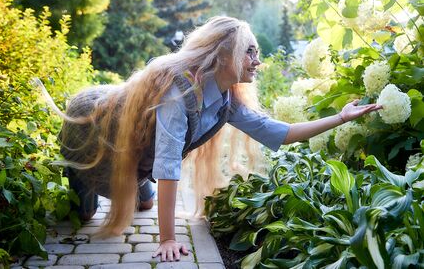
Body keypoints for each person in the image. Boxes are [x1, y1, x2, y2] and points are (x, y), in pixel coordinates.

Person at [42, 16, 381, 262]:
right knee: (86, 215)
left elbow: (281, 133)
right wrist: (168, 239)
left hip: (136, 160)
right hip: (97, 139)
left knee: (143, 202)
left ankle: (134, 186)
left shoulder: (226, 101)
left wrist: (340, 117)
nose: (257, 62)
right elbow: (168, 163)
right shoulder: (179, 93)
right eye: (249, 52)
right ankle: (78, 181)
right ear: (223, 54)